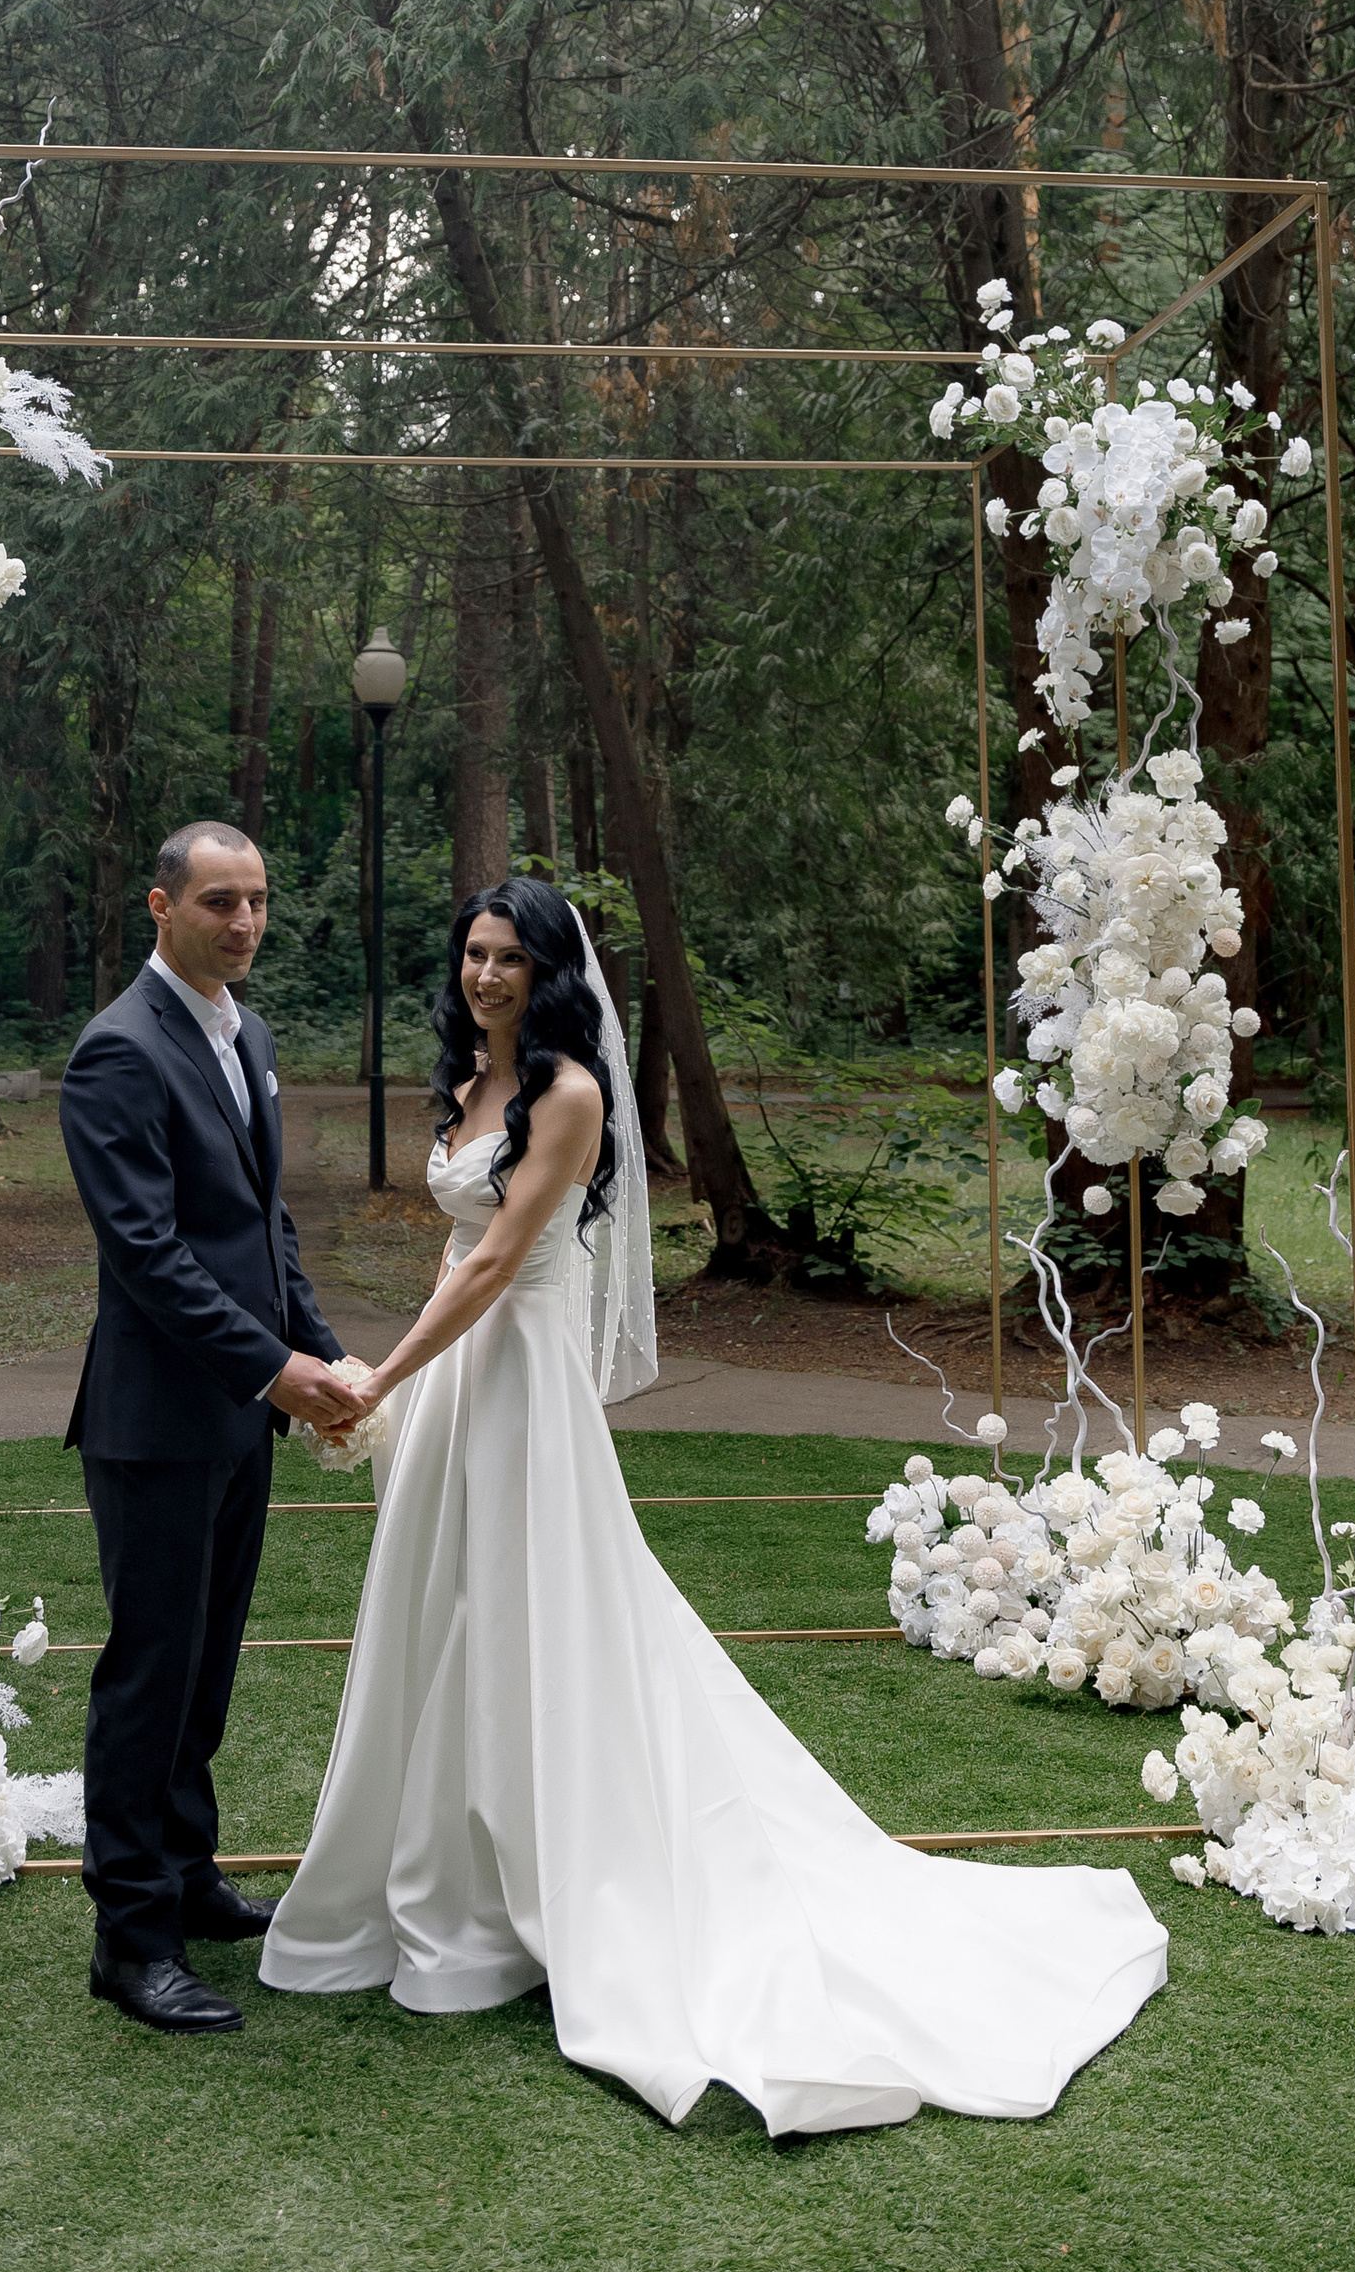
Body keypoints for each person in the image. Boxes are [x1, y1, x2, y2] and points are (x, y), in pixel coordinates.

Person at [260, 875, 1169, 2134]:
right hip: (460, 1379)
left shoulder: (568, 1095)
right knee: (444, 1615)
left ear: (552, 972)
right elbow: (451, 1256)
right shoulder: (471, 1081)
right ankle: (448, 1886)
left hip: (516, 1385)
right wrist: (413, 1394)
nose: (484, 975)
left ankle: (554, 1886)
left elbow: (494, 1262)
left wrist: (377, 1377)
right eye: (472, 954)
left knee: (534, 1617)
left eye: (509, 958)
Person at [57, 819, 360, 2038]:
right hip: (157, 1420)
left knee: (207, 1671)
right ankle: (128, 1940)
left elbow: (258, 1226)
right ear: (159, 905)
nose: (242, 922)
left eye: (257, 900)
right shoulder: (117, 1052)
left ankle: (186, 1878)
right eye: (218, 901)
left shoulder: (247, 1033)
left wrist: (320, 1344)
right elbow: (148, 1256)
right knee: (148, 1677)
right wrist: (273, 1368)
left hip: (237, 1418)